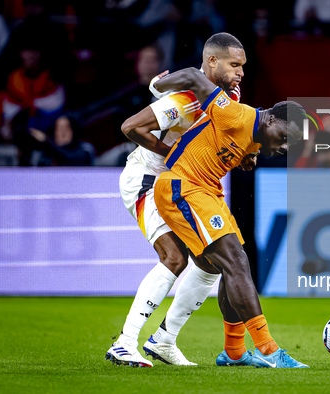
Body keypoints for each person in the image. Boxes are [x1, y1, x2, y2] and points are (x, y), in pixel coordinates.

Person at [105, 32, 250, 368]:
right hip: (149, 179)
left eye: (243, 65)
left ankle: (164, 341)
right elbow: (130, 127)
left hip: (185, 184)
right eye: (234, 64)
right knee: (174, 257)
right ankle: (125, 343)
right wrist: (174, 154)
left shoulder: (230, 92)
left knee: (212, 262)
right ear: (212, 62)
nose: (241, 72)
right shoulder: (184, 101)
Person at [151, 66, 308, 368]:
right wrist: (160, 86)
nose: (285, 146)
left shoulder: (256, 134)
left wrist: (247, 154)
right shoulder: (236, 114)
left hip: (208, 191)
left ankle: (233, 353)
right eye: (285, 136)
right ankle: (268, 349)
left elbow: (233, 140)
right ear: (272, 118)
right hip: (183, 185)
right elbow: (195, 78)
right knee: (236, 262)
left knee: (231, 265)